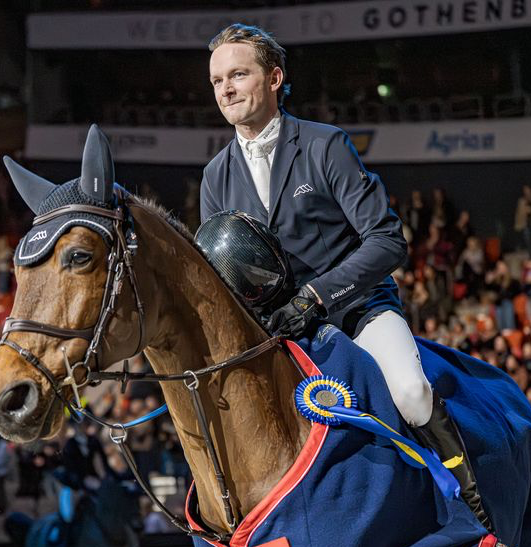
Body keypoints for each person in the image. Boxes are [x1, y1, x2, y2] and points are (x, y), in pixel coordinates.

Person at [199, 23, 493, 533]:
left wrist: (316, 296)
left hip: (357, 310)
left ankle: (474, 510)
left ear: (274, 78)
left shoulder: (324, 144)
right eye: (217, 80)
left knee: (411, 392)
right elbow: (220, 279)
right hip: (276, 331)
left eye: (238, 75)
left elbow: (387, 239)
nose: (226, 88)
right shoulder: (215, 176)